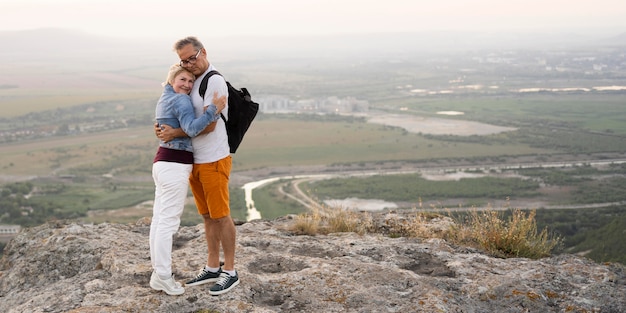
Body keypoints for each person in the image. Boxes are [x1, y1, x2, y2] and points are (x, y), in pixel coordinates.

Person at [156, 36, 240, 296]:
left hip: (214, 158)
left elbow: (211, 123)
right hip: (195, 160)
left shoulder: (214, 80)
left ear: (203, 52)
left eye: (192, 58)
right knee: (207, 216)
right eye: (183, 61)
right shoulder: (192, 82)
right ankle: (212, 266)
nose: (189, 64)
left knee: (221, 215)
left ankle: (230, 271)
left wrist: (174, 134)